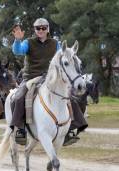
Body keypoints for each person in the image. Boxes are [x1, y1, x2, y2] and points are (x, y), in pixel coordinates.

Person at [11, 18, 87, 146]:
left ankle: (72, 128)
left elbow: (63, 57)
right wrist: (17, 40)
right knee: (18, 97)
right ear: (35, 30)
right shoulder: (28, 42)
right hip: (31, 77)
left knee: (70, 97)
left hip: (50, 78)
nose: (41, 30)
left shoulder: (55, 44)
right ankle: (19, 129)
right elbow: (18, 51)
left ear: (48, 29)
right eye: (38, 28)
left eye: (44, 28)